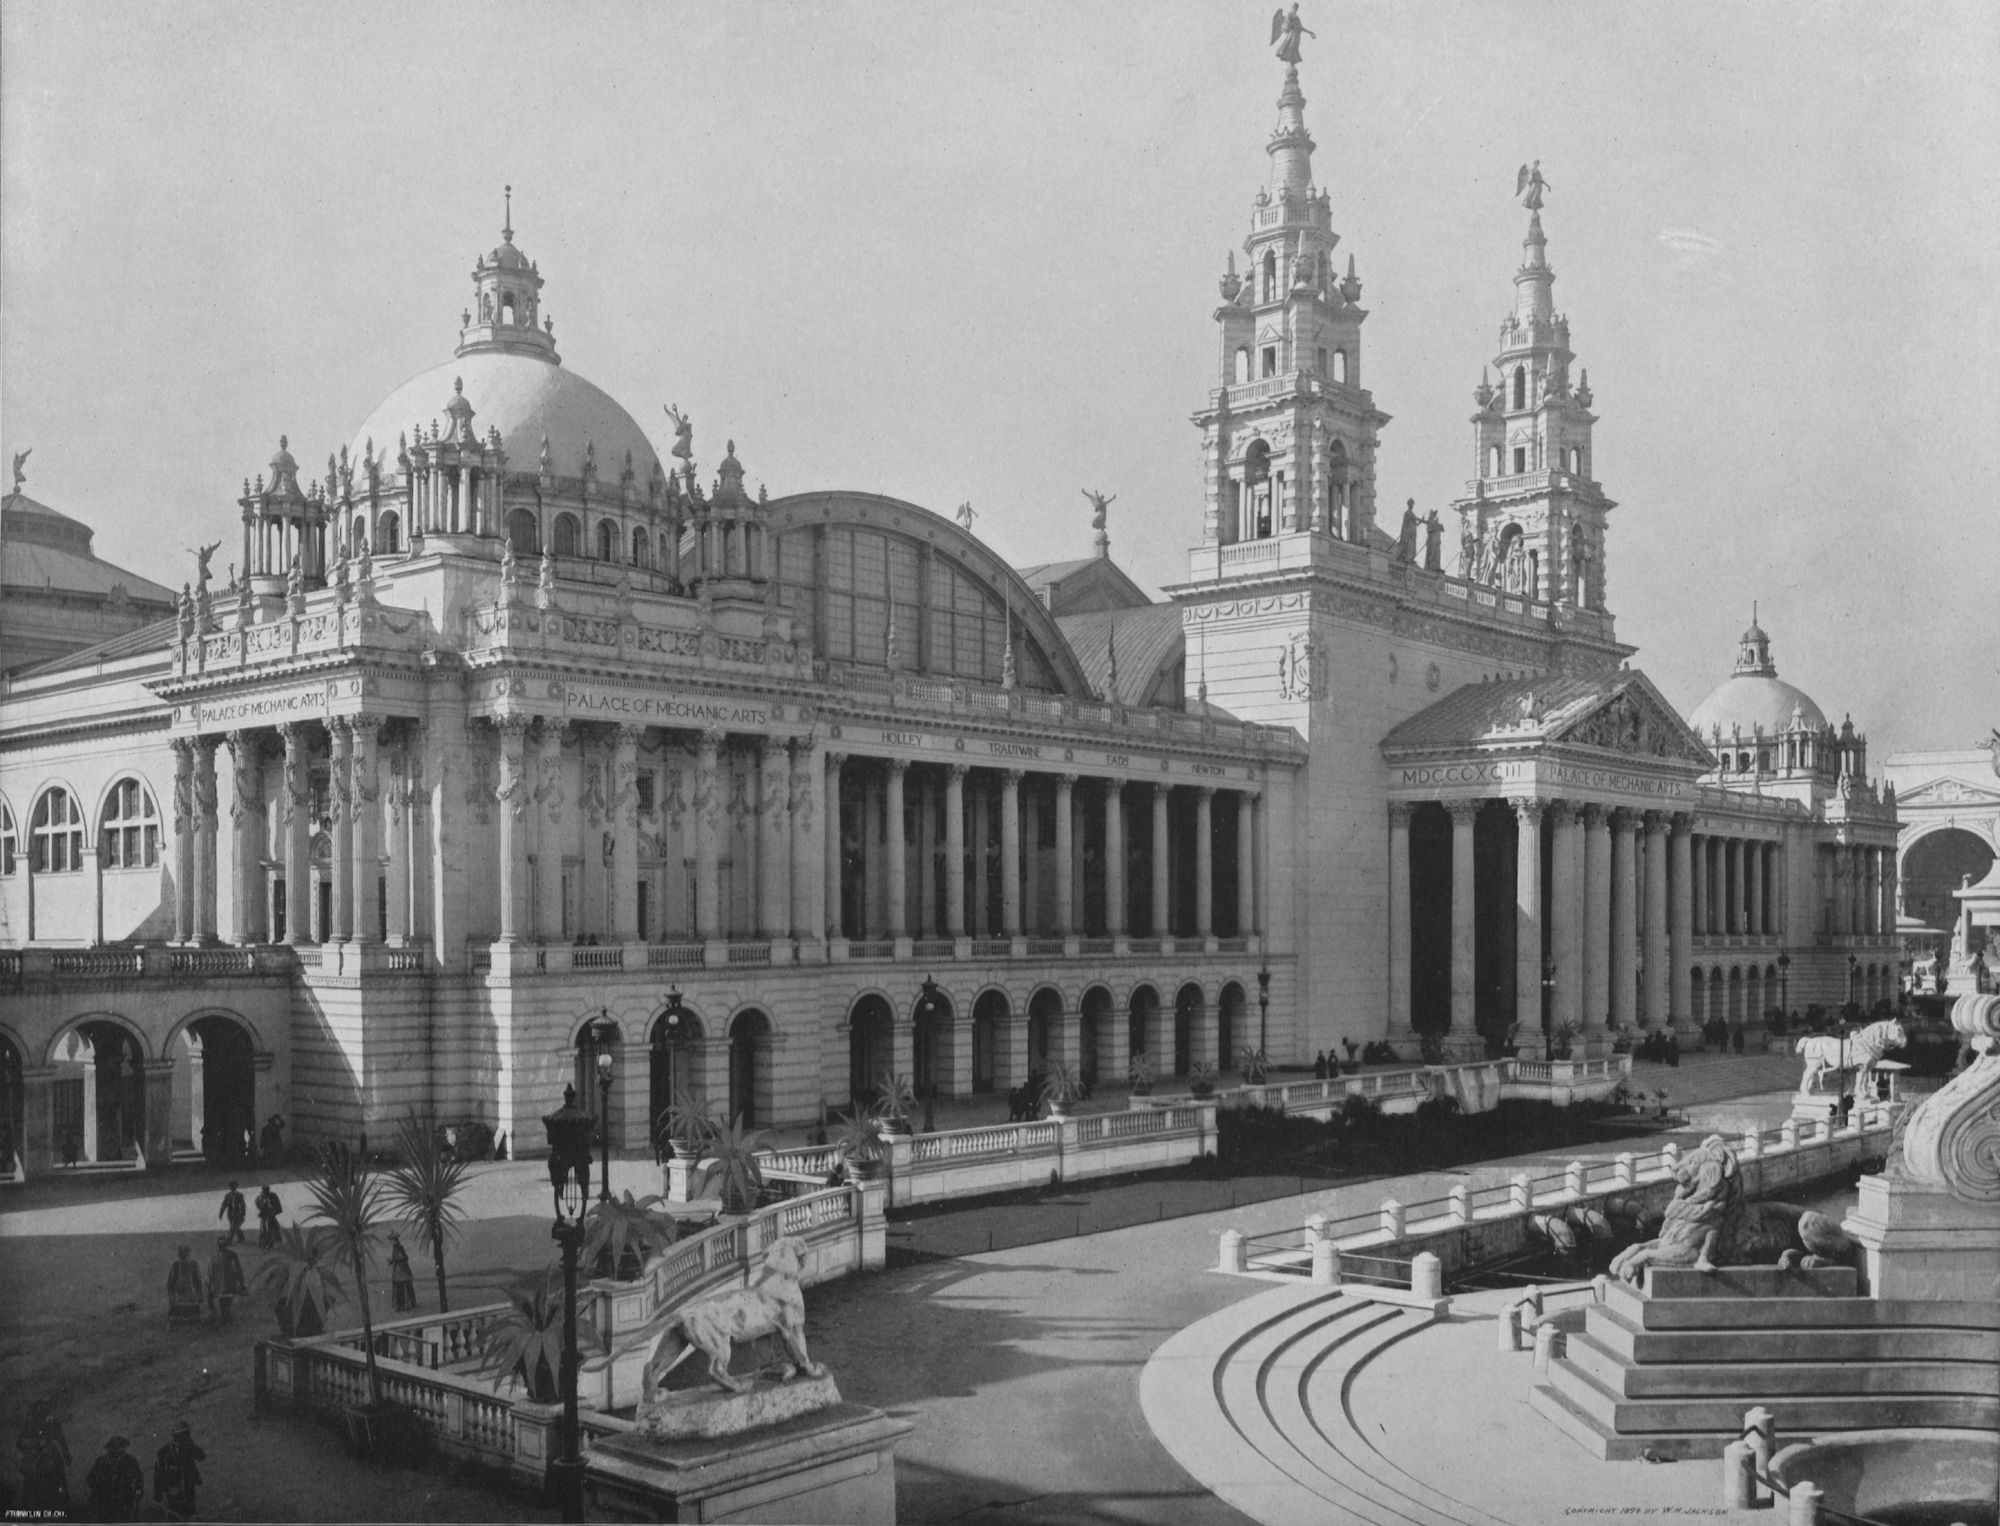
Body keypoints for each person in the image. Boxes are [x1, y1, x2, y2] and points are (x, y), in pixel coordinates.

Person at [15, 1398, 70, 1517]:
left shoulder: (52, 1424)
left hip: (50, 1456)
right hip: (35, 1460)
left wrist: (66, 1455)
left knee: (56, 1481)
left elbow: (61, 1439)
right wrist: (31, 1450)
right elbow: (19, 1442)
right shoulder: (30, 1425)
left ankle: (57, 1507)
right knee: (33, 1485)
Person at [85, 1434, 144, 1522]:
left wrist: (138, 1489)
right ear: (109, 1448)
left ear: (123, 1447)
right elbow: (90, 1478)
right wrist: (98, 1488)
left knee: (124, 1520)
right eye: (113, 1447)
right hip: (104, 1500)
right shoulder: (101, 1461)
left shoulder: (131, 1460)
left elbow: (139, 1476)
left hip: (125, 1499)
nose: (116, 1449)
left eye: (119, 1447)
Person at [152, 1421, 205, 1520]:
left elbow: (201, 1456)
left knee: (189, 1513)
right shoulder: (163, 1452)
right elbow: (158, 1474)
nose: (185, 1437)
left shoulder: (189, 1447)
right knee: (174, 1515)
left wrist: (192, 1445)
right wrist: (157, 1495)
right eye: (182, 1435)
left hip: (189, 1487)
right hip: (173, 1489)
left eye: (186, 1434)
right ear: (175, 1436)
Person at [208, 1235, 246, 1324]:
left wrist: (241, 1280)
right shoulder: (214, 1256)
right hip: (221, 1282)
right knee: (223, 1299)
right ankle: (225, 1316)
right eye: (222, 1245)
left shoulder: (231, 1254)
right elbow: (211, 1270)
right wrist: (210, 1283)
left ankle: (226, 1316)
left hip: (229, 1281)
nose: (223, 1246)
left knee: (227, 1298)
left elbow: (238, 1268)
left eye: (224, 1244)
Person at [166, 1244, 205, 1327]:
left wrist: (199, 1292)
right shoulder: (176, 1265)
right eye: (181, 1253)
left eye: (184, 1253)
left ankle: (191, 1322)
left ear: (187, 1253)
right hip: (180, 1291)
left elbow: (197, 1279)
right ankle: (179, 1323)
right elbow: (171, 1280)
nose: (182, 1255)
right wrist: (171, 1293)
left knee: (191, 1306)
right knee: (178, 1306)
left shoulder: (194, 1264)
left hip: (190, 1291)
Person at [388, 1232, 418, 1313]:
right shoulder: (395, 1248)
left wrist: (393, 1260)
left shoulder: (399, 1247)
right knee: (400, 1287)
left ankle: (404, 1305)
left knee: (402, 1286)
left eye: (391, 1240)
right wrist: (392, 1261)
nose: (390, 1242)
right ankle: (402, 1305)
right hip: (399, 1270)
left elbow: (405, 1257)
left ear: (394, 1240)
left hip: (402, 1270)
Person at [255, 1182, 284, 1248]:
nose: (265, 1192)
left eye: (266, 1190)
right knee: (263, 1229)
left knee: (271, 1229)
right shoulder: (260, 1197)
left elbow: (279, 1208)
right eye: (264, 1190)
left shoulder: (273, 1196)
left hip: (271, 1215)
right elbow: (258, 1204)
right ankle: (263, 1243)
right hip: (264, 1215)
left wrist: (273, 1212)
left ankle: (269, 1243)